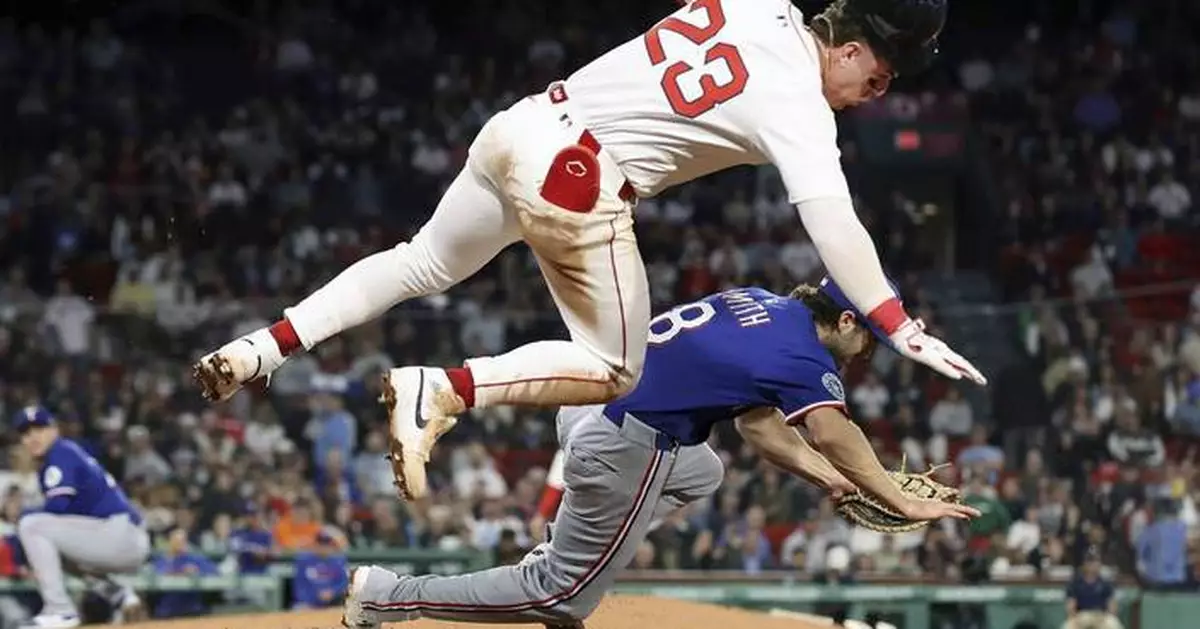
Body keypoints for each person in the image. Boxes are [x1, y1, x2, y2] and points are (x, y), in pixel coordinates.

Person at [193, 0, 986, 501]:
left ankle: (260, 349)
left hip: (524, 123)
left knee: (419, 262)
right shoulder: (801, 106)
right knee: (616, 366)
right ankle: (443, 388)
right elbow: (834, 224)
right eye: (879, 77)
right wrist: (895, 322)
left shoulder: (754, 7)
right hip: (580, 176)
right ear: (847, 47)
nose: (873, 93)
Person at [340, 277, 980, 628]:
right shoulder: (802, 356)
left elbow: (758, 427)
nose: (869, 350)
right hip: (626, 440)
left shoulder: (760, 302)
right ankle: (388, 596)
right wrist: (894, 496)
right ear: (844, 322)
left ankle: (575, 545)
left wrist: (829, 481)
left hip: (590, 400)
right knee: (561, 596)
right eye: (869, 336)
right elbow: (836, 433)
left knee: (706, 469)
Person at [12, 407, 150, 628]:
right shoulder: (62, 454)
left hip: (119, 534)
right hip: (120, 536)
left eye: (39, 429)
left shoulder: (60, 453)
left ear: (54, 430)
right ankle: (119, 595)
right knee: (51, 544)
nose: (33, 437)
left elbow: (57, 507)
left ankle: (60, 611)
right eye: (26, 433)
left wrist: (23, 517)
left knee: (31, 525)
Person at [1063, 551, 1124, 629]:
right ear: (1084, 564)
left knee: (1114, 625)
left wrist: (1107, 617)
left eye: (1096, 561)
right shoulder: (1075, 583)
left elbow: (1112, 608)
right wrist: (1076, 619)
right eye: (1090, 561)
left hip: (1101, 616)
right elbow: (1071, 608)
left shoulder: (1106, 583)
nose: (1093, 565)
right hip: (1082, 616)